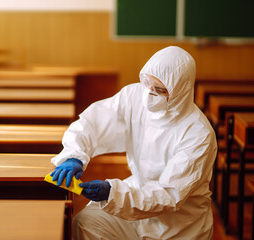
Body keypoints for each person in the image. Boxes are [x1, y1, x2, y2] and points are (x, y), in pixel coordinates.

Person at [50, 46, 217, 239]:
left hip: (179, 227)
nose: (149, 93)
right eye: (146, 82)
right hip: (136, 195)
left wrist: (112, 193)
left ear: (181, 91)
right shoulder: (134, 96)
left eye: (160, 90)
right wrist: (74, 156)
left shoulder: (197, 133)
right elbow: (92, 123)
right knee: (86, 223)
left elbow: (168, 195)